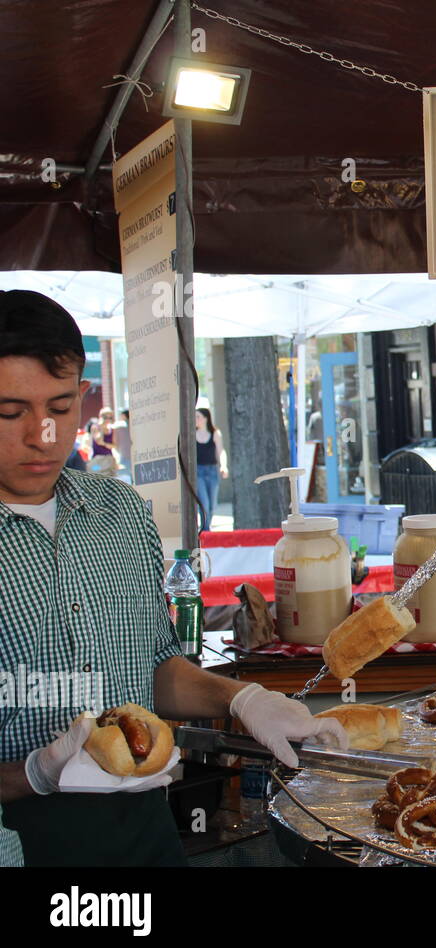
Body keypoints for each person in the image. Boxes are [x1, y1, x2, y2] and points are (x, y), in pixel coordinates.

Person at [0, 291, 348, 867]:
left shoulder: (119, 513)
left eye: (60, 408)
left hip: (143, 833)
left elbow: (155, 666)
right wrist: (35, 772)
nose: (42, 435)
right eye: (9, 413)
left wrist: (244, 698)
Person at [195, 407, 227, 533]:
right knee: (204, 503)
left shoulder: (215, 433)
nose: (196, 420)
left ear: (205, 418)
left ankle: (207, 527)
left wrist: (223, 466)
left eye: (198, 417)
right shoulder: (192, 433)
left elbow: (221, 451)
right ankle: (205, 530)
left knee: (212, 504)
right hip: (198, 472)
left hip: (213, 471)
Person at [113, 409, 132, 480]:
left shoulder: (119, 429)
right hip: (131, 455)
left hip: (124, 456)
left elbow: (116, 443)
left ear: (124, 416)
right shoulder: (134, 427)